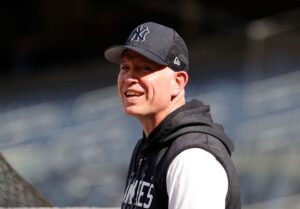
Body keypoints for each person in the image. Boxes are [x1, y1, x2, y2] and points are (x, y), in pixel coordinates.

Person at [104, 22, 241, 209]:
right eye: (125, 68)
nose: (129, 79)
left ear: (178, 82)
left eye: (144, 68)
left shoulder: (192, 160)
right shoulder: (147, 146)